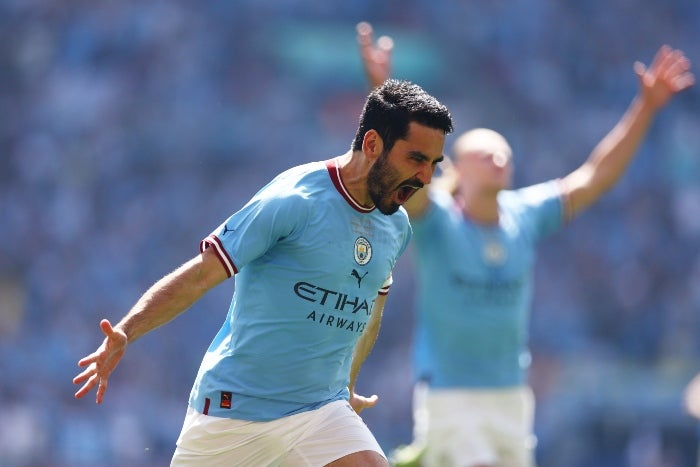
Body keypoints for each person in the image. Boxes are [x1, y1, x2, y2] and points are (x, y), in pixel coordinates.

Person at [357, 21, 694, 467]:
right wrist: (381, 88)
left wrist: (645, 108)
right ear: (456, 168)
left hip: (512, 398)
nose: (499, 159)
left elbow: (596, 175)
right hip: (451, 397)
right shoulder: (436, 221)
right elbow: (401, 166)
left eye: (505, 155)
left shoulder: (526, 215)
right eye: (485, 154)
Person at [73, 78, 454, 466]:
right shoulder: (293, 200)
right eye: (416, 160)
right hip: (234, 412)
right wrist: (126, 330)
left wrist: (347, 386)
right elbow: (200, 275)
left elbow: (368, 310)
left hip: (321, 411)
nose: (426, 178)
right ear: (372, 144)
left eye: (433, 164)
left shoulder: (396, 226)